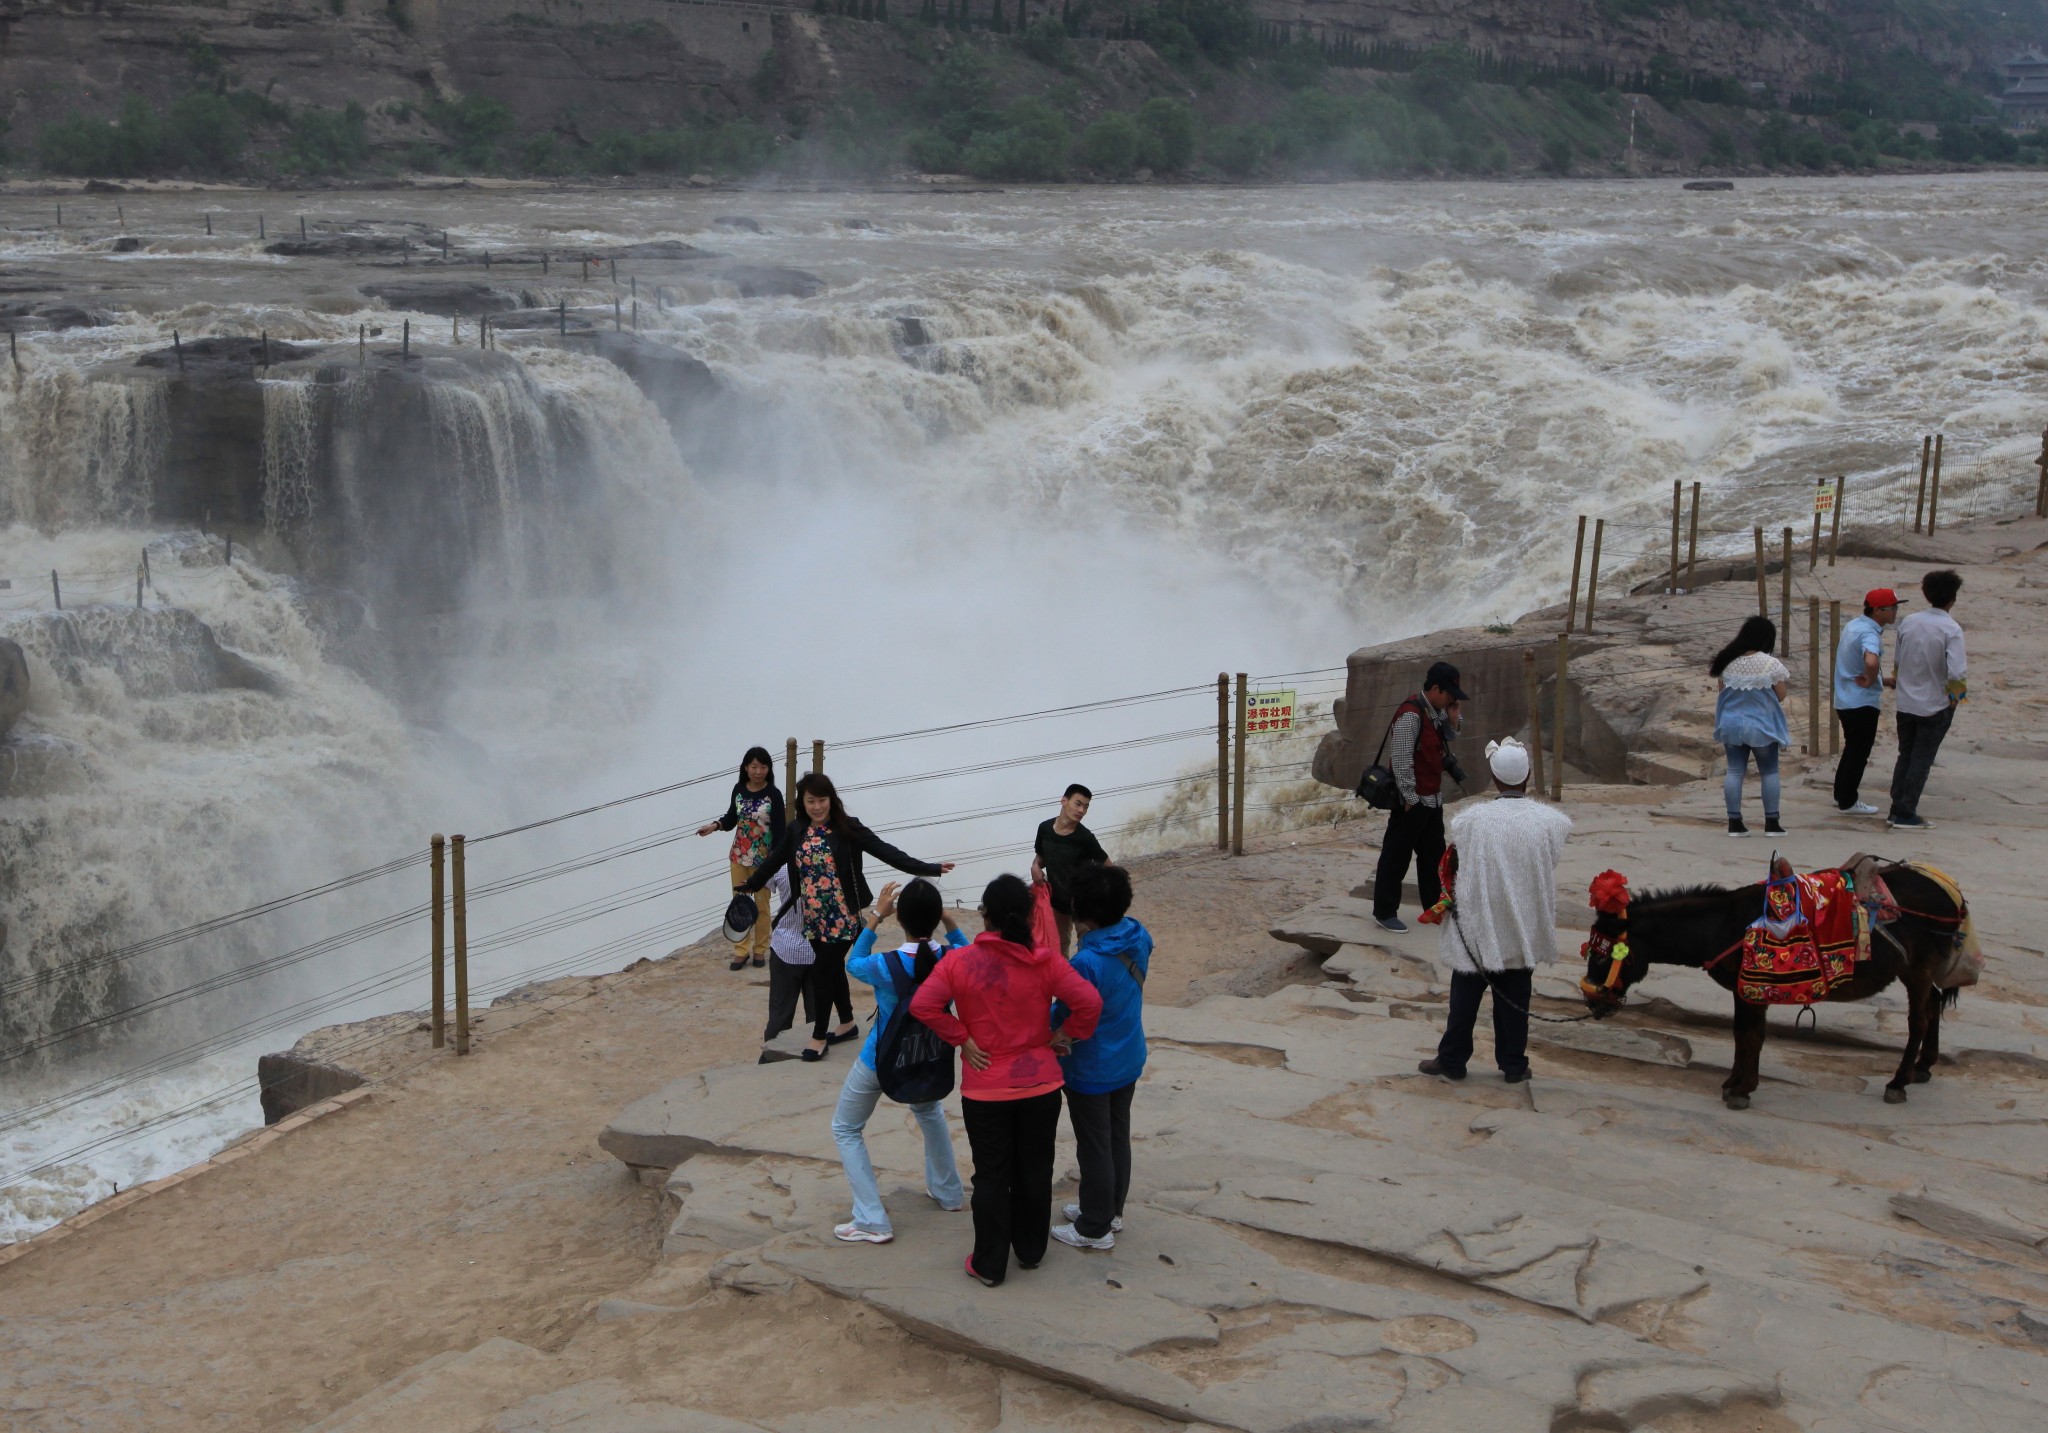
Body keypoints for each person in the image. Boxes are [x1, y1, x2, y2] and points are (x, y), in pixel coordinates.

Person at [909, 872, 1102, 1288]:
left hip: (986, 1085)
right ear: (1032, 916)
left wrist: (963, 1037)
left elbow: (924, 1005)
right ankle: (1030, 1252)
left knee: (991, 1175)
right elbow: (1089, 1002)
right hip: (1041, 1084)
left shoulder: (958, 962)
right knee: (1035, 1168)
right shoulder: (1045, 960)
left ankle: (990, 1263)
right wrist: (1067, 1033)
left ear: (985, 915)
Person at [742, 773, 954, 1061]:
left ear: (832, 800)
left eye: (822, 800)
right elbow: (775, 859)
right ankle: (847, 1023)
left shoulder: (846, 828)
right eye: (811, 801)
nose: (817, 807)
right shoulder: (797, 830)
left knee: (821, 972)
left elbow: (885, 851)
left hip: (843, 915)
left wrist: (928, 868)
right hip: (814, 916)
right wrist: (753, 883)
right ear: (802, 803)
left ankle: (819, 1037)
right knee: (829, 969)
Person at [1418, 737, 1571, 1085]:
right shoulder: (1551, 822)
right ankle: (1514, 1065)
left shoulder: (1471, 821)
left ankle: (1453, 1060)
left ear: (1495, 777)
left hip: (1478, 925)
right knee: (1516, 1000)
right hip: (1523, 924)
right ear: (1527, 775)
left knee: (1464, 1000)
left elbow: (1458, 865)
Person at [830, 879, 968, 1243]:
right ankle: (949, 1193)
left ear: (900, 919)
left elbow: (853, 964)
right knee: (929, 1112)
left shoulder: (884, 965)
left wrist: (875, 916)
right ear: (937, 917)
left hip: (882, 1058)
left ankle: (871, 1219)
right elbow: (970, 955)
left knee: (846, 1129)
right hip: (928, 1054)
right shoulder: (952, 959)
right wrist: (951, 924)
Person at [1049, 861, 1149, 1252]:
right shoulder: (1139, 936)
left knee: (1094, 1146)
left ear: (1081, 915)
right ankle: (1111, 1210)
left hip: (1092, 1068)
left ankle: (1094, 1228)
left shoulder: (1086, 964)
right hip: (1128, 1055)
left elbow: (1064, 1015)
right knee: (1116, 1136)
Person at [1371, 661, 1468, 932]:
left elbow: (1448, 738)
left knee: (1434, 858)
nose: (1451, 698)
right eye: (1449, 694)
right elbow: (1401, 760)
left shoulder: (1433, 711)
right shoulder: (1411, 714)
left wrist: (1453, 716)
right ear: (1435, 689)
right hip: (1412, 803)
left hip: (1431, 801)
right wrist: (1410, 798)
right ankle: (1385, 912)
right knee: (1395, 857)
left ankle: (1434, 907)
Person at [1888, 569, 1967, 831]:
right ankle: (1906, 811)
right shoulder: (1951, 629)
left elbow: (1898, 661)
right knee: (1922, 758)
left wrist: (1900, 682)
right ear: (1952, 598)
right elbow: (1957, 671)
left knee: (1905, 754)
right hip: (1935, 703)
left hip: (1906, 701)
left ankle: (1895, 806)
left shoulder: (1909, 621)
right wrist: (1956, 699)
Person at [698, 748, 786, 972]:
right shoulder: (738, 790)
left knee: (762, 905)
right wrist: (715, 826)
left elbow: (779, 831)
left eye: (763, 767)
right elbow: (731, 818)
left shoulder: (773, 794)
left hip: (763, 859)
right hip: (738, 855)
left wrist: (775, 861)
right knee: (739, 903)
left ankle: (760, 949)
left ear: (769, 769)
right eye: (754, 767)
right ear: (746, 767)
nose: (758, 771)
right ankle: (741, 950)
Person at [1710, 617, 1790, 837]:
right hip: (1762, 726)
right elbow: (1781, 695)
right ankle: (1772, 823)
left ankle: (1734, 822)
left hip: (1731, 725)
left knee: (1735, 771)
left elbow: (1721, 690)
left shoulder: (1726, 660)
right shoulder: (1770, 664)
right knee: (1769, 771)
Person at [1832, 589, 1901, 815]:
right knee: (1859, 752)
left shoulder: (1853, 625)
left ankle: (1840, 794)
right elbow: (1870, 661)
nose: (1895, 612)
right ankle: (1848, 801)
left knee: (1852, 748)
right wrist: (1872, 678)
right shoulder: (1870, 634)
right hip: (1862, 702)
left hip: (1844, 698)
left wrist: (1883, 680)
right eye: (1892, 608)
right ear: (1877, 610)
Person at [1034, 784, 1108, 956]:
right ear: (1064, 801)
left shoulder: (1085, 838)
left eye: (1086, 807)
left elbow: (1109, 867)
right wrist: (1035, 866)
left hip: (1084, 903)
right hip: (1057, 902)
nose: (1081, 810)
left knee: (1089, 947)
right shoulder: (1044, 829)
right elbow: (1041, 856)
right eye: (1078, 804)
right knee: (1058, 948)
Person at [760, 866, 818, 1045]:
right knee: (817, 1015)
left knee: (780, 1014)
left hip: (785, 946)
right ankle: (817, 1049)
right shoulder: (826, 860)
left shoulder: (779, 864)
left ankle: (772, 1056)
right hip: (818, 948)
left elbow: (764, 890)